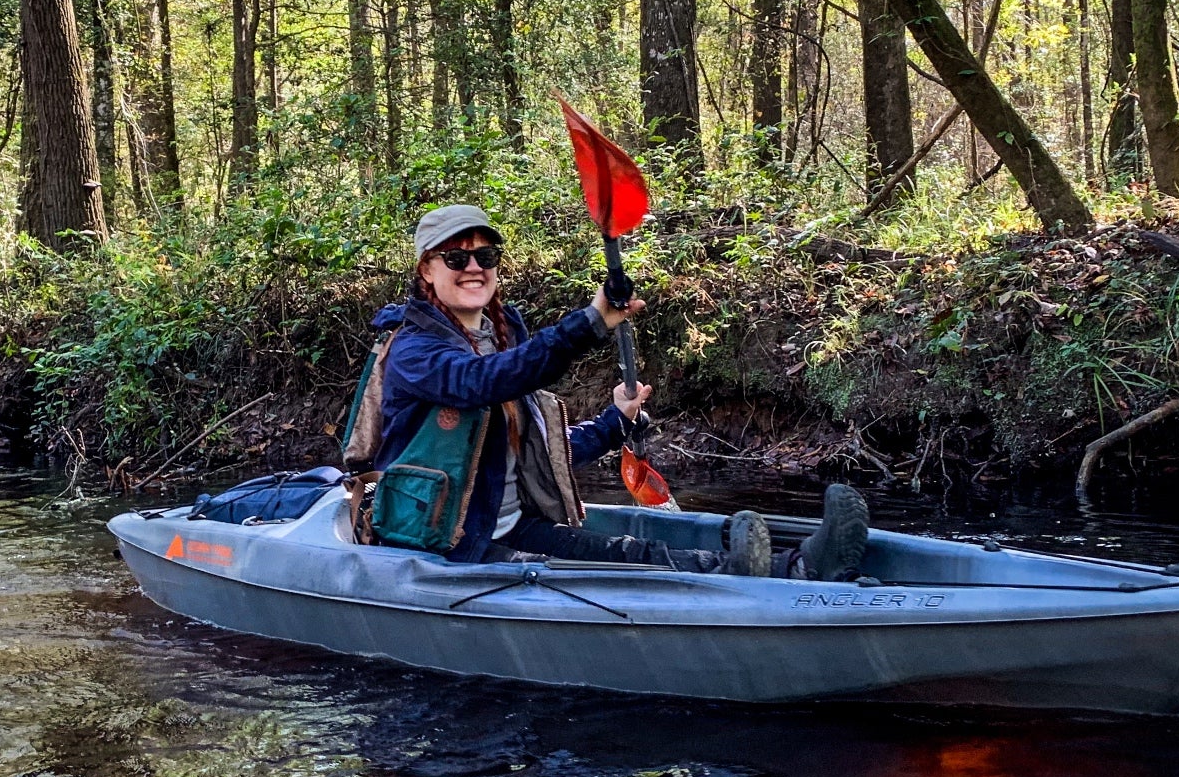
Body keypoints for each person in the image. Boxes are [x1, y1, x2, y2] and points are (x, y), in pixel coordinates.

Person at [367, 203, 869, 578]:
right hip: (449, 547)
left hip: (508, 526)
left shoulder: (501, 337)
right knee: (625, 566)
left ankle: (792, 565)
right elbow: (486, 381)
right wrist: (590, 323)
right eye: (455, 257)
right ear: (427, 271)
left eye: (485, 255)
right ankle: (789, 573)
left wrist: (616, 421)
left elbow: (546, 450)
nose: (473, 266)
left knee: (631, 551)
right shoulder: (415, 351)